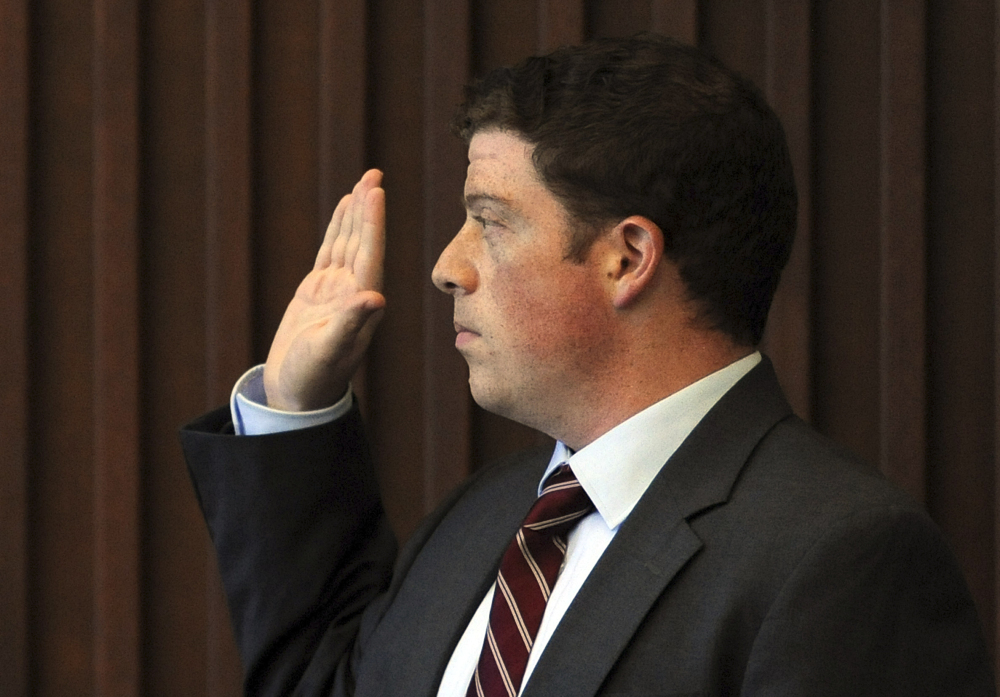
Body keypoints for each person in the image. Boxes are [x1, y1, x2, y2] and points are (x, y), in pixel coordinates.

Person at [181, 34, 994, 696]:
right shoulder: (485, 519)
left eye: (489, 222)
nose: (447, 266)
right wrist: (295, 406)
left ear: (627, 257)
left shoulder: (839, 559)